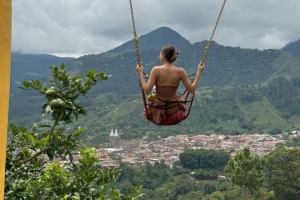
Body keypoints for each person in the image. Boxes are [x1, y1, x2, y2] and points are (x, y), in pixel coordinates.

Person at [136, 45, 205, 124]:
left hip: (157, 107)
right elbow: (192, 90)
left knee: (154, 91)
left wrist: (140, 73)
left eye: (160, 54)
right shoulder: (180, 71)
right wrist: (199, 71)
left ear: (163, 55)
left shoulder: (156, 70)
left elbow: (147, 90)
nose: (159, 56)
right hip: (173, 108)